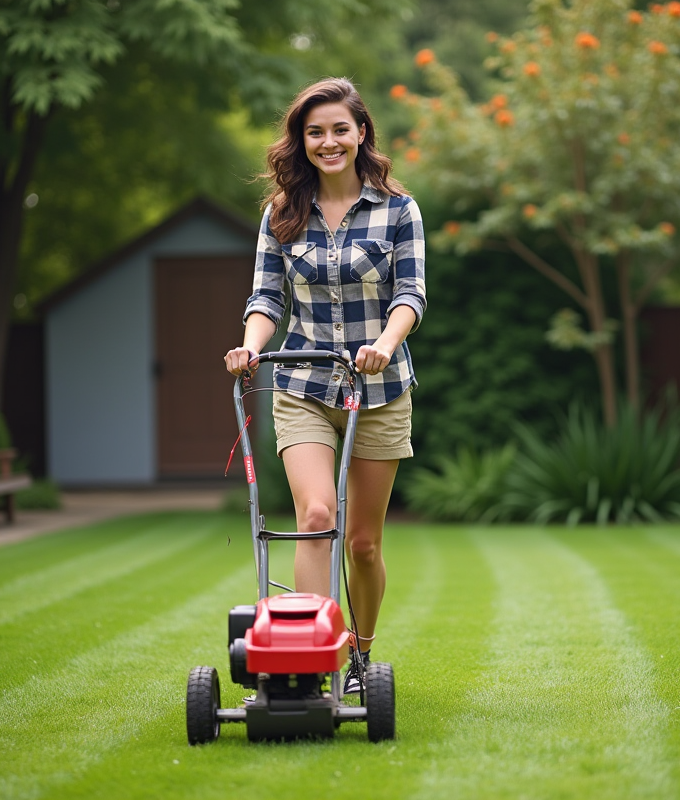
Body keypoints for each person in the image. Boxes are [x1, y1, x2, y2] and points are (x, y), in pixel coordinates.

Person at [224, 78, 425, 696]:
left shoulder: (398, 210)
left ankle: (361, 657)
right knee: (315, 516)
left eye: (340, 128)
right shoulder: (281, 214)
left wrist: (384, 346)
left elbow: (410, 296)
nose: (328, 141)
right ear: (301, 141)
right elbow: (266, 298)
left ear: (361, 132)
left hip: (379, 391)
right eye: (315, 132)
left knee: (362, 544)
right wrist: (252, 347)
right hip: (303, 386)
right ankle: (309, 662)